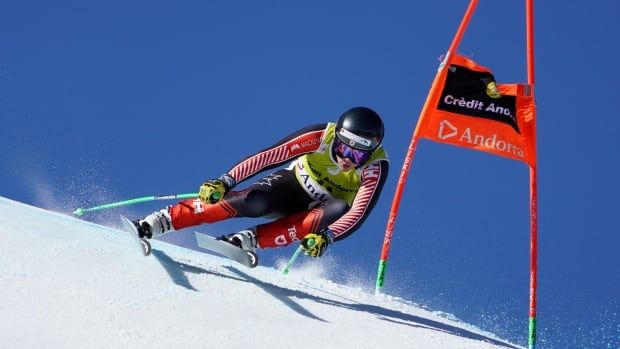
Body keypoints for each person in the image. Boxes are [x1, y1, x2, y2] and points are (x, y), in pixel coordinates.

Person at [133, 106, 389, 258]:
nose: (347, 158)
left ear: (371, 152)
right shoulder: (321, 136)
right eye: (343, 148)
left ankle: (247, 241)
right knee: (253, 203)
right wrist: (226, 181)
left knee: (339, 209)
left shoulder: (375, 167)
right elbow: (270, 156)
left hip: (317, 211)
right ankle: (161, 221)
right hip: (291, 185)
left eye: (358, 154)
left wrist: (329, 236)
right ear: (337, 138)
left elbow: (359, 211)